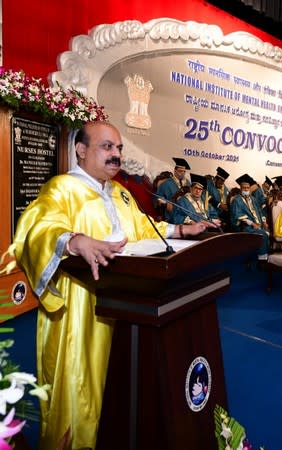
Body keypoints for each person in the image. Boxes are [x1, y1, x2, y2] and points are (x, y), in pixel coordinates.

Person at [12, 122, 215, 450]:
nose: (116, 155)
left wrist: (180, 231)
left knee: (121, 385)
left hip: (129, 306)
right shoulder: (62, 188)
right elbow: (34, 230)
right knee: (80, 392)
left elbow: (143, 229)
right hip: (80, 309)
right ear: (81, 149)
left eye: (119, 148)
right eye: (107, 147)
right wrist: (75, 241)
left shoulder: (120, 193)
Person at [230, 174, 270, 262]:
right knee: (262, 234)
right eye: (244, 188)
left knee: (267, 231)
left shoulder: (253, 199)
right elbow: (237, 216)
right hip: (245, 227)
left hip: (258, 224)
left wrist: (264, 222)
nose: (246, 189)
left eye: (247, 188)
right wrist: (252, 223)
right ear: (240, 188)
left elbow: (260, 211)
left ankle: (263, 255)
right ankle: (262, 259)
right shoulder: (237, 200)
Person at [155, 157, 191, 222]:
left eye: (184, 171)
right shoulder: (166, 183)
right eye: (180, 171)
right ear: (175, 171)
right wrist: (165, 203)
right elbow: (158, 198)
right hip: (171, 214)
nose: (182, 173)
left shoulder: (188, 183)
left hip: (186, 213)